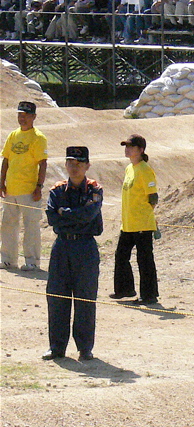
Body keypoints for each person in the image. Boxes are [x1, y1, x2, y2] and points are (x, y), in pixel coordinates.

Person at [42, 146, 103, 361]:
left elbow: (88, 215)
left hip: (85, 247)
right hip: (62, 247)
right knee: (57, 296)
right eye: (70, 163)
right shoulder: (57, 190)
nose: (74, 167)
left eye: (78, 164)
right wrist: (69, 215)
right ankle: (57, 347)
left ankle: (85, 348)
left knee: (85, 297)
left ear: (87, 165)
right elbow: (52, 218)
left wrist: (64, 213)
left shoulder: (94, 189)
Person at [110, 134, 159, 305]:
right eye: (126, 146)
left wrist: (147, 215)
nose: (127, 149)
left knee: (144, 260)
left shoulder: (145, 170)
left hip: (142, 224)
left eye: (131, 146)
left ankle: (149, 295)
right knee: (121, 256)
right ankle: (124, 289)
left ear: (141, 150)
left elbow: (153, 197)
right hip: (128, 223)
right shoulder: (130, 169)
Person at [1, 101, 48, 271]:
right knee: (7, 224)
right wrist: (2, 182)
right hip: (11, 189)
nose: (23, 118)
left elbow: (43, 163)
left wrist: (39, 187)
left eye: (26, 115)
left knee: (31, 226)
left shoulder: (38, 138)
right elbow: (6, 160)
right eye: (20, 115)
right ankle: (8, 259)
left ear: (34, 117)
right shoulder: (13, 135)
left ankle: (32, 261)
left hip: (29, 190)